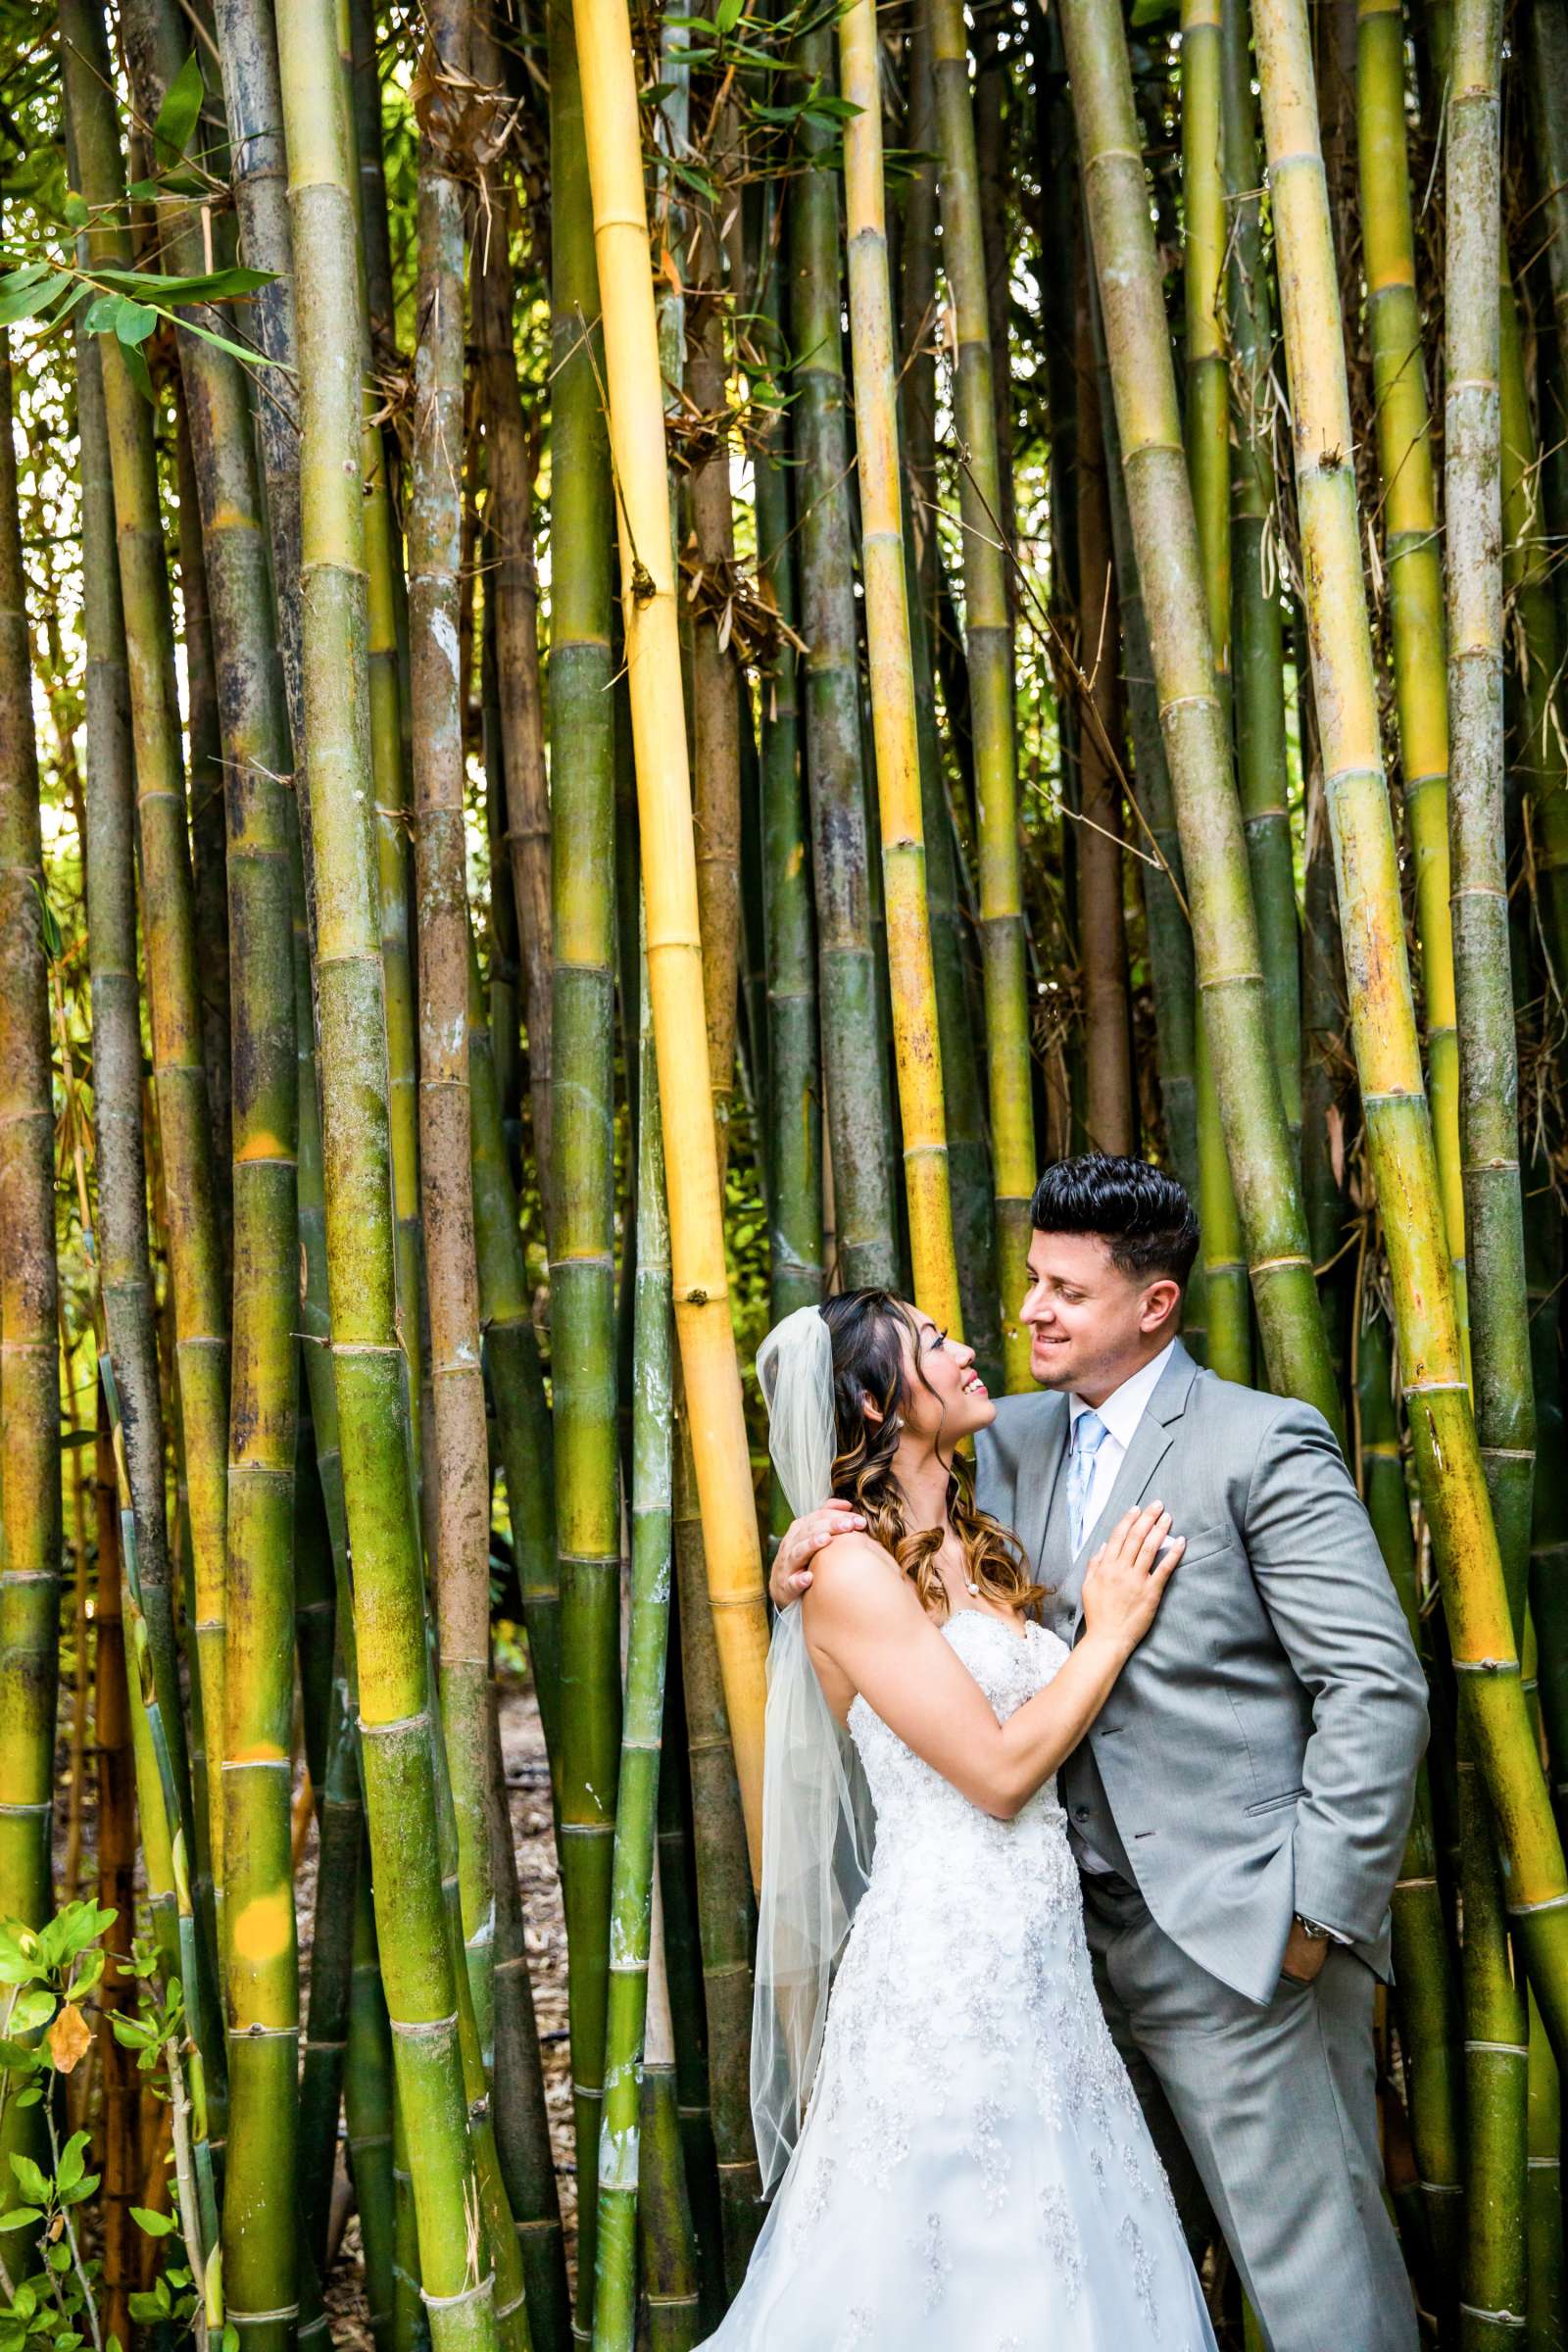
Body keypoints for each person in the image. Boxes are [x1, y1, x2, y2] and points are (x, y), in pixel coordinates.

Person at [771, 1154, 1430, 2352]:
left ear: (1153, 1305)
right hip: (1044, 1967)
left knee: (1318, 2287)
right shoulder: (1002, 1437)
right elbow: (886, 1555)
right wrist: (798, 1558)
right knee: (1077, 2291)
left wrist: (1310, 1922)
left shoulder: (1257, 1444)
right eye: (1030, 1280)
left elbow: (1376, 1687)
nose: (1027, 1311)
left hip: (1234, 1949)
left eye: (1064, 1291)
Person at [701, 1284, 1218, 2349]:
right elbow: (994, 1773)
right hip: (947, 1971)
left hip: (1041, 1968)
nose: (970, 1347)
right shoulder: (847, 1567)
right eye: (933, 1343)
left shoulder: (976, 1539)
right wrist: (1108, 1632)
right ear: (874, 1401)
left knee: (1069, 2246)